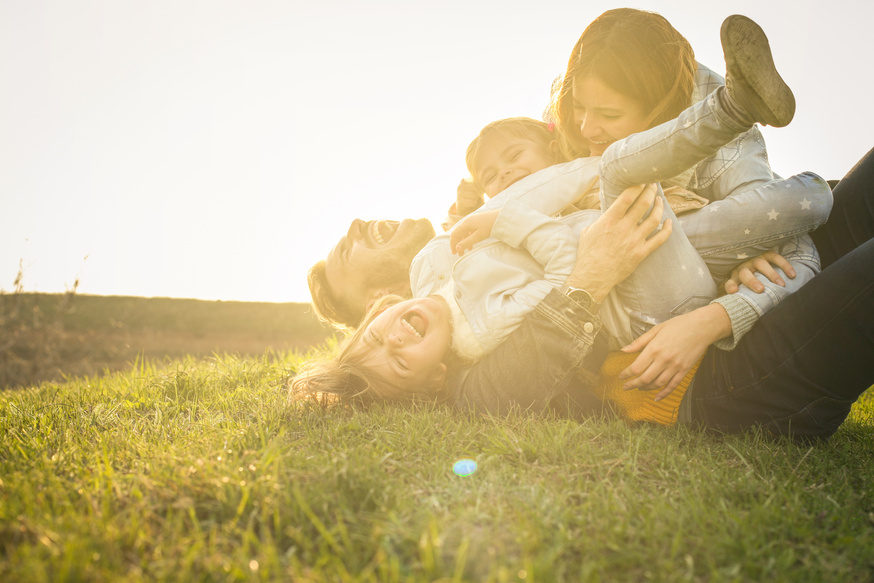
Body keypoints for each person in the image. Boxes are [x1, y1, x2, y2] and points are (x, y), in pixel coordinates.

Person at [293, 15, 832, 401]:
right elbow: (563, 279)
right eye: (348, 250)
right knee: (629, 179)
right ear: (370, 299)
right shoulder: (472, 338)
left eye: (603, 112)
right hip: (654, 289)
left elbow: (539, 185)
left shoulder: (444, 259)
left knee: (795, 206)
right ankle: (750, 125)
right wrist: (716, 316)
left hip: (671, 241)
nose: (586, 127)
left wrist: (494, 211)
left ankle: (789, 163)